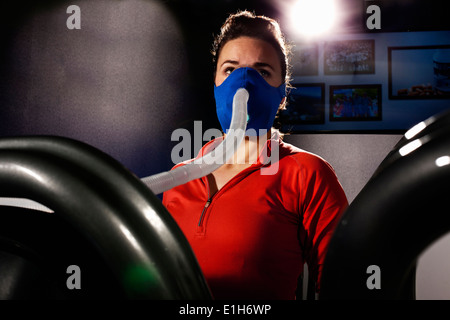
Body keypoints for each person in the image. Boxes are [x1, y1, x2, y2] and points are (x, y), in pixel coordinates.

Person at [162, 10, 348, 300]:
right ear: (215, 85)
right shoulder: (178, 177)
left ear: (282, 96)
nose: (243, 84)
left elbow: (342, 281)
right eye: (230, 69)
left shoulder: (307, 174)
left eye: (262, 72)